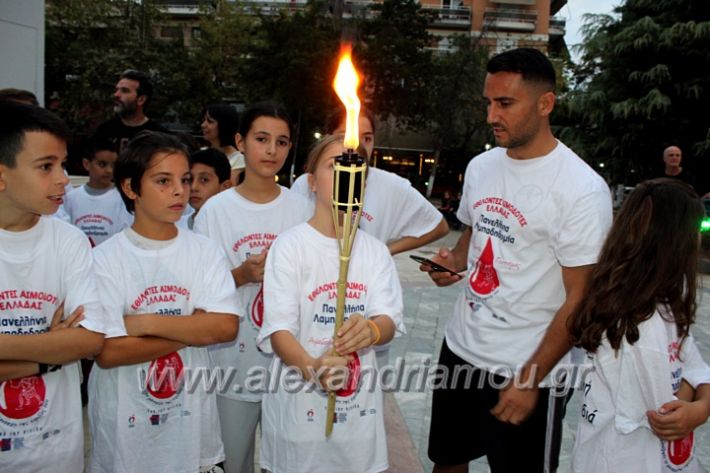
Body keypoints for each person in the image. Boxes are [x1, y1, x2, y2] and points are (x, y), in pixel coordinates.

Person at [421, 48, 613, 473]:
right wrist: (452, 261)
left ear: (545, 104)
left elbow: (580, 298)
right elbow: (474, 233)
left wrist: (529, 380)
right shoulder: (482, 166)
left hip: (529, 370)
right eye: (488, 102)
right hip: (461, 349)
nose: (492, 115)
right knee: (447, 461)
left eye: (505, 103)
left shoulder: (582, 190)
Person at [87, 131, 240, 473]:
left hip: (190, 426)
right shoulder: (105, 260)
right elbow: (110, 352)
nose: (179, 191)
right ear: (130, 188)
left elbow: (225, 326)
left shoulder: (204, 250)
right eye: (162, 180)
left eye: (184, 180)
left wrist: (140, 324)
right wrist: (193, 327)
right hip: (126, 428)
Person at [256, 134, 405, 473]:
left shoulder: (375, 252)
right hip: (298, 420)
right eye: (332, 165)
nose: (344, 173)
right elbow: (279, 329)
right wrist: (313, 368)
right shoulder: (290, 246)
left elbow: (388, 320)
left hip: (358, 428)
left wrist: (371, 330)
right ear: (310, 182)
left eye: (354, 168)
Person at [0, 101, 119, 471]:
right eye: (46, 166)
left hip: (57, 453)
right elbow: (69, 346)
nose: (63, 179)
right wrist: (49, 357)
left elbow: (89, 340)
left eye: (63, 164)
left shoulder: (69, 241)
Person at [194, 101, 311, 473]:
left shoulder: (303, 209)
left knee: (287, 463)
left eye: (282, 141)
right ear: (241, 142)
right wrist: (242, 275)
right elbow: (198, 293)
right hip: (232, 364)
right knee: (233, 462)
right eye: (262, 139)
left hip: (290, 366)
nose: (272, 150)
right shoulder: (216, 210)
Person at [569, 178, 710, 473]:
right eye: (697, 230)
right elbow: (665, 412)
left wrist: (701, 401)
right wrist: (698, 404)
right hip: (624, 461)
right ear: (676, 241)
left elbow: (692, 358)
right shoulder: (640, 325)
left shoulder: (669, 295)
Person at [291, 108, 449, 256]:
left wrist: (383, 251)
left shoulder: (391, 185)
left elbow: (438, 226)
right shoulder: (307, 183)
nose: (357, 145)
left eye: (367, 138)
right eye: (346, 136)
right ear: (328, 139)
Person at [63, 139, 133, 245]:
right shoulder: (71, 198)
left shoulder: (123, 198)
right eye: (102, 164)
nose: (109, 170)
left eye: (113, 165)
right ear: (86, 164)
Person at [92, 69, 168, 153]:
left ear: (141, 100)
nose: (116, 95)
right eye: (116, 90)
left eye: (124, 91)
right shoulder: (104, 131)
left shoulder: (158, 136)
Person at [178, 148, 232, 230]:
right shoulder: (174, 227)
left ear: (225, 187)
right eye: (189, 179)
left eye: (204, 180)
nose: (193, 187)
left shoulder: (233, 227)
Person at [201, 104, 245, 186]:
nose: (203, 125)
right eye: (203, 120)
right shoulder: (201, 152)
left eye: (210, 121)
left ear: (224, 125)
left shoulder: (240, 161)